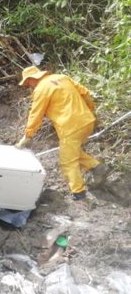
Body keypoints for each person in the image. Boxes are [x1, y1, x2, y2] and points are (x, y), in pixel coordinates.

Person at [15, 65, 111, 200]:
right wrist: (90, 111)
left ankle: (79, 193)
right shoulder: (62, 77)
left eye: (27, 83)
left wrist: (28, 135)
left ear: (31, 79)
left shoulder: (41, 89)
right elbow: (85, 93)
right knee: (72, 151)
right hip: (87, 121)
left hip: (70, 127)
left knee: (67, 162)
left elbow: (35, 114)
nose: (28, 86)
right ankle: (96, 167)